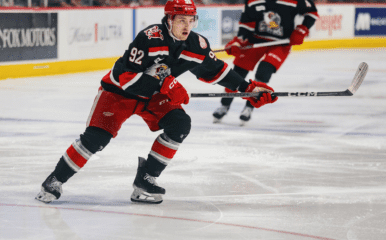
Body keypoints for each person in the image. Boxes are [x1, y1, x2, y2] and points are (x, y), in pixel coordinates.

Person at [35, 0, 277, 205]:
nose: (187, 26)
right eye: (182, 20)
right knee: (96, 139)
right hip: (119, 92)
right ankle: (55, 180)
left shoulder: (197, 44)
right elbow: (126, 78)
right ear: (169, 19)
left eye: (191, 20)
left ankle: (146, 179)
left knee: (180, 124)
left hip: (153, 97)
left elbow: (217, 71)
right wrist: (167, 84)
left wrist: (248, 89)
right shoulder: (149, 37)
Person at [213, 0, 318, 125]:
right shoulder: (253, 1)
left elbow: (311, 13)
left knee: (264, 72)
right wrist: (238, 42)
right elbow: (246, 24)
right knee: (238, 74)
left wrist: (302, 29)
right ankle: (224, 105)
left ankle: (249, 107)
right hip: (254, 41)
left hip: (280, 44)